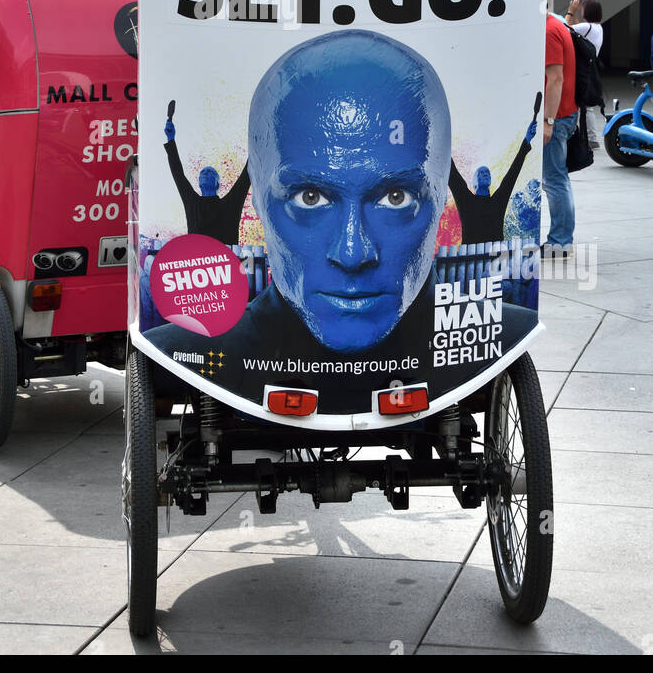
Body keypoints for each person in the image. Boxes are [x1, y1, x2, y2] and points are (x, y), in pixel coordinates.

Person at [147, 31, 535, 410]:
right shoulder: (187, 348)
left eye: (394, 197)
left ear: (440, 199)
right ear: (259, 204)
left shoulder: (506, 334)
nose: (352, 253)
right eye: (310, 197)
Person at [448, 96, 540, 244]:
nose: (485, 174)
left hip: (497, 262)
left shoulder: (498, 200)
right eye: (481, 173)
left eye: (487, 173)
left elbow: (512, 174)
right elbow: (452, 174)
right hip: (471, 262)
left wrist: (526, 141)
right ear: (474, 183)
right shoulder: (466, 200)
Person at [163, 107, 250, 246]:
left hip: (225, 265)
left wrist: (258, 143)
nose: (206, 173)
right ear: (198, 183)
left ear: (218, 183)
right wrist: (171, 139)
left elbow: (245, 178)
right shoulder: (193, 203)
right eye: (203, 172)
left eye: (210, 172)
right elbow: (178, 174)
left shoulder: (230, 205)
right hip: (199, 264)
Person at [542, 11, 578, 258]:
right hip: (566, 112)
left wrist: (548, 121)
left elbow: (555, 79)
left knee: (554, 180)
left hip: (558, 115)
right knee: (557, 179)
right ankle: (561, 239)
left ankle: (560, 242)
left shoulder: (548, 31)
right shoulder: (558, 24)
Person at [564, 0, 603, 148]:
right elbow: (577, 32)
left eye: (583, 8)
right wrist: (576, 17)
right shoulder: (597, 28)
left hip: (581, 70)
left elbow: (563, 28)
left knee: (578, 103)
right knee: (586, 105)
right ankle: (591, 137)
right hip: (589, 69)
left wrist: (570, 11)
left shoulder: (587, 27)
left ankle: (579, 135)